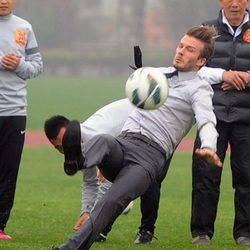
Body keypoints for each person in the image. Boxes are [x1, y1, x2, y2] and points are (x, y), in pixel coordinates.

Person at [53, 25, 223, 250]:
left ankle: (69, 248)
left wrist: (209, 146)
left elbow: (207, 121)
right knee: (104, 140)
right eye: (180, 46)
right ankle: (78, 161)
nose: (181, 51)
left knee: (110, 202)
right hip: (124, 142)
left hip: (147, 159)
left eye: (190, 50)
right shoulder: (157, 74)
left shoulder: (199, 90)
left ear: (201, 61)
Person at [191, 0, 250, 246]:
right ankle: (201, 232)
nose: (234, 4)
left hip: (247, 118)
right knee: (206, 175)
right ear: (220, 1)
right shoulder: (206, 30)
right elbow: (193, 66)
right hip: (211, 117)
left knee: (247, 177)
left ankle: (244, 233)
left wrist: (245, 77)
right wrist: (223, 75)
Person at [44, 99, 135, 242]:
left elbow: (106, 182)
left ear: (72, 131)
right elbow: (90, 182)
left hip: (147, 113)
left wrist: (92, 224)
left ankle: (144, 230)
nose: (64, 150)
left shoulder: (95, 136)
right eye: (58, 148)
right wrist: (86, 213)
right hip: (124, 135)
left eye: (64, 143)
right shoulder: (79, 144)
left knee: (148, 177)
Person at [0, 0, 43, 240]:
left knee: (8, 171)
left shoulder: (24, 28)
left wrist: (19, 65)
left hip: (15, 111)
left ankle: (0, 226)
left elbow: (37, 66)